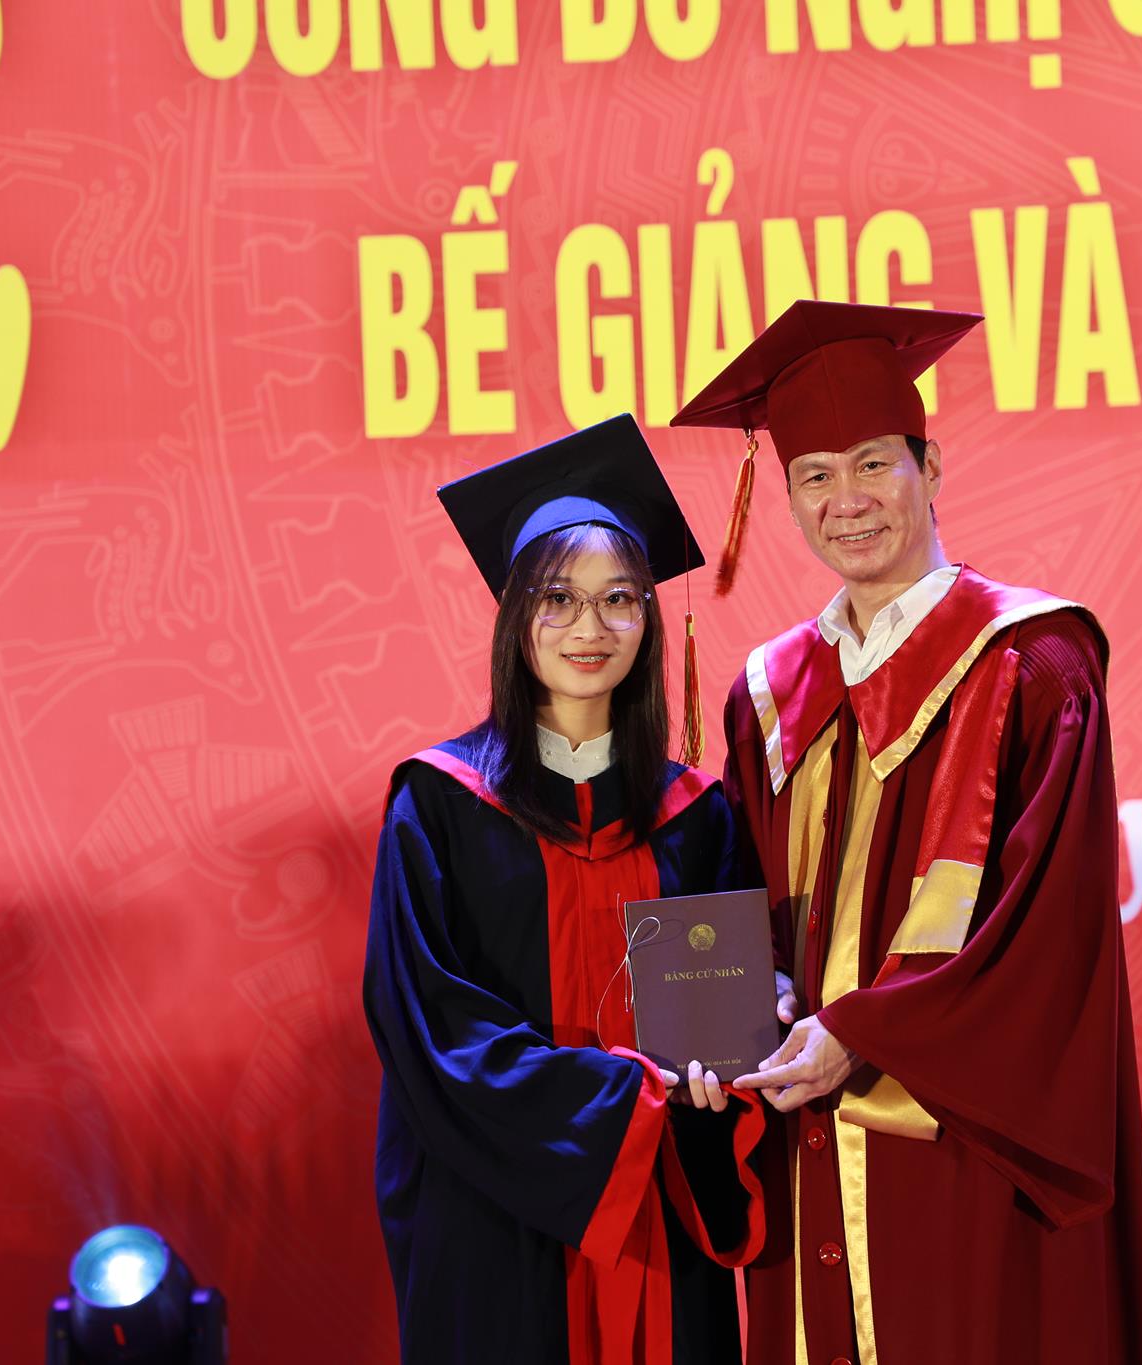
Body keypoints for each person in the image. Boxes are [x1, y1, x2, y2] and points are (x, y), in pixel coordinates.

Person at [670, 301, 1142, 1364]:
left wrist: (862, 1034)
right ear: (785, 498)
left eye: (871, 465)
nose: (844, 501)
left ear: (930, 468)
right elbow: (741, 900)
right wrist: (742, 1006)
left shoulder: (1031, 666)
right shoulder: (768, 694)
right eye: (813, 475)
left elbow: (1048, 934)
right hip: (802, 1143)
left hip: (962, 1152)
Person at [364, 415, 768, 1365]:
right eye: (558, 598)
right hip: (495, 1220)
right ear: (516, 617)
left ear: (649, 618)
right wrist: (624, 1103)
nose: (591, 628)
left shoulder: (697, 814)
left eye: (619, 598)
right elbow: (432, 1030)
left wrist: (751, 1040)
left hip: (661, 1217)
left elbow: (726, 1028)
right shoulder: (438, 806)